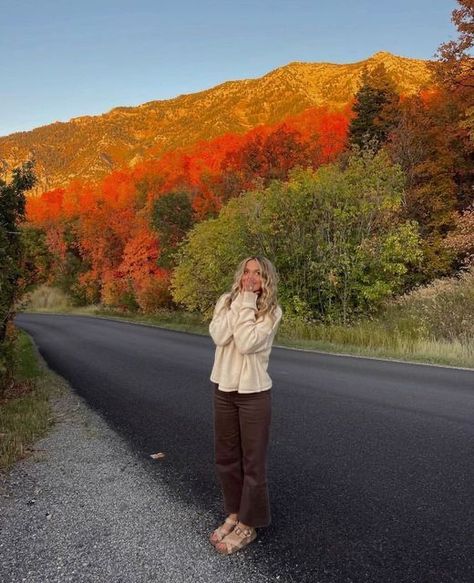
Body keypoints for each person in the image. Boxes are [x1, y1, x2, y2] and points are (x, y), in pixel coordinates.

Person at [208, 256, 283, 555]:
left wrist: (249, 301)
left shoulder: (271, 311)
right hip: (223, 388)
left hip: (254, 393)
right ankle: (234, 514)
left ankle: (249, 525)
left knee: (252, 463)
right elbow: (219, 335)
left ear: (267, 280)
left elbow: (246, 341)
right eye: (247, 272)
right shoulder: (226, 301)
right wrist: (239, 301)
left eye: (258, 274)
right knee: (226, 458)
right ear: (240, 275)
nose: (251, 278)